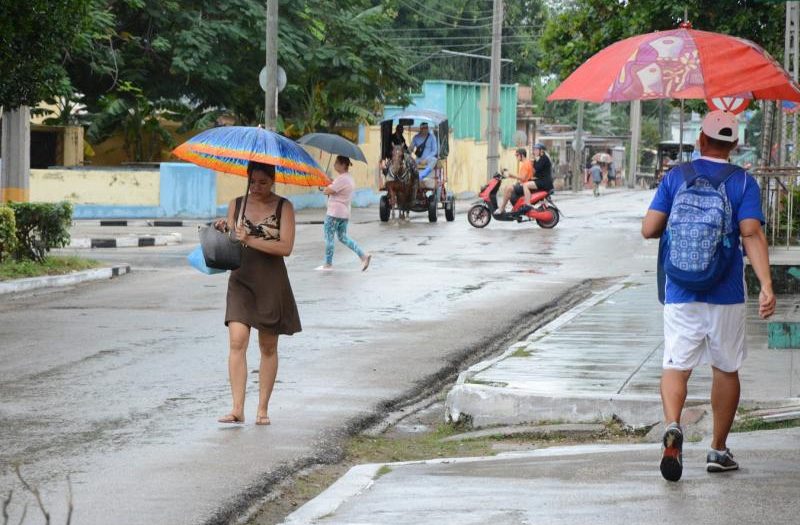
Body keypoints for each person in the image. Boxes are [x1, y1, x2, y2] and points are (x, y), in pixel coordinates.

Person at [641, 110, 775, 482]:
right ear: (734, 144)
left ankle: (673, 425)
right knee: (726, 368)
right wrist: (766, 284)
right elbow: (751, 233)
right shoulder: (743, 181)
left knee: (675, 365)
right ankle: (718, 448)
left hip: (681, 289)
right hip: (727, 293)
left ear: (701, 140)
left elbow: (649, 229)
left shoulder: (676, 176)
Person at [213, 161, 301, 426]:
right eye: (253, 182)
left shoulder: (284, 207)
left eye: (263, 182)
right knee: (237, 341)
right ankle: (237, 408)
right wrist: (224, 230)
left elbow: (286, 247)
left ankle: (262, 409)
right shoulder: (236, 204)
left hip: (271, 282)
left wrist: (250, 239)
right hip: (240, 280)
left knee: (268, 346)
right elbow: (230, 242)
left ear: (272, 181)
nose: (257, 187)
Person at [318, 155, 371, 271]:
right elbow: (336, 187)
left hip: (334, 213)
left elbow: (327, 191)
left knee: (329, 238)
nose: (334, 165)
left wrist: (326, 186)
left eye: (336, 163)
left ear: (343, 165)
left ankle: (328, 264)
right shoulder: (348, 178)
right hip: (344, 213)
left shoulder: (342, 179)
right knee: (343, 237)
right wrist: (331, 183)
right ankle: (363, 256)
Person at [496, 148, 535, 214]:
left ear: (522, 155)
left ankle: (502, 208)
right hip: (524, 184)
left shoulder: (526, 164)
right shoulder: (526, 163)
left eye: (517, 155)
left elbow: (523, 178)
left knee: (508, 188)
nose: (516, 157)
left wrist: (511, 175)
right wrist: (510, 176)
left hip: (525, 186)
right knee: (508, 188)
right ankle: (513, 207)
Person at [410, 122, 439, 190]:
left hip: (429, 159)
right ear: (420, 129)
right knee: (410, 161)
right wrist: (409, 150)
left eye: (426, 128)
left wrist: (426, 159)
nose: (425, 129)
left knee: (434, 160)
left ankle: (421, 175)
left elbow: (434, 151)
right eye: (423, 128)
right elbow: (411, 148)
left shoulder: (432, 137)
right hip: (419, 160)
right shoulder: (416, 137)